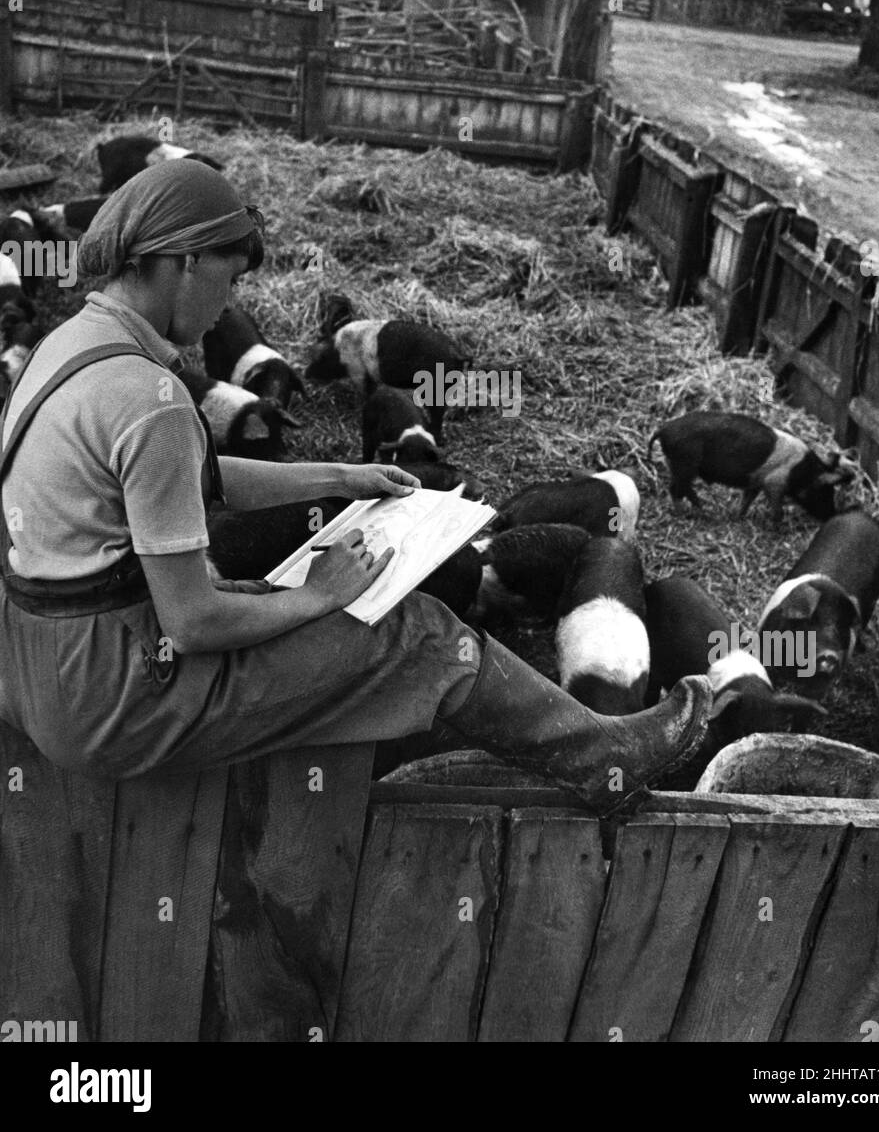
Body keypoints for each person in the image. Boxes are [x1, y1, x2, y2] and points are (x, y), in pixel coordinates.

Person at [0, 160, 712, 812]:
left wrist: (346, 476)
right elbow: (192, 623)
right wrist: (320, 594)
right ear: (185, 261)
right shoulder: (149, 397)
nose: (229, 303)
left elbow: (197, 476)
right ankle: (603, 757)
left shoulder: (70, 349)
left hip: (41, 663)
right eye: (232, 276)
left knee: (282, 604)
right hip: (115, 696)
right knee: (416, 633)